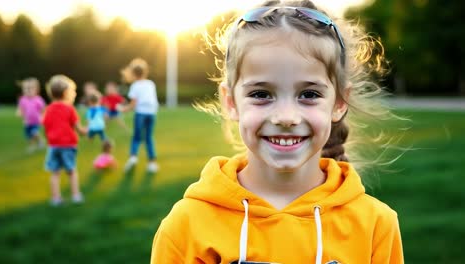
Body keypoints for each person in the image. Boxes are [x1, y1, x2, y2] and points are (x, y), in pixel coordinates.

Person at [150, 1, 404, 263]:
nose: (286, 118)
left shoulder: (375, 225)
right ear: (231, 102)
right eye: (261, 94)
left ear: (339, 103)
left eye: (309, 94)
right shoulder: (187, 226)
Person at [42, 75, 87, 206]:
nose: (74, 95)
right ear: (66, 93)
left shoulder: (48, 109)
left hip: (53, 145)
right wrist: (88, 130)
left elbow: (46, 125)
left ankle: (55, 199)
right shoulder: (69, 109)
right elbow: (80, 129)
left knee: (55, 173)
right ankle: (76, 196)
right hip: (68, 145)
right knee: (71, 171)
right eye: (73, 92)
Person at [118, 58, 160, 173]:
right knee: (148, 137)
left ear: (133, 73)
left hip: (140, 114)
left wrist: (122, 109)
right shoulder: (151, 84)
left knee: (137, 137)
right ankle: (152, 163)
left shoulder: (135, 86)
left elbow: (133, 104)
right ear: (145, 72)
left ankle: (133, 157)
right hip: (151, 114)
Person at [16, 77, 46, 153]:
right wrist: (19, 112)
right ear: (23, 90)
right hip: (27, 121)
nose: (28, 90)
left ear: (36, 90)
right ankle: (33, 145)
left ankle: (40, 141)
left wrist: (42, 117)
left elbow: (43, 110)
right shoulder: (22, 99)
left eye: (30, 88)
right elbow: (21, 108)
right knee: (28, 136)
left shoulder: (38, 99)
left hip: (36, 121)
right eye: (26, 88)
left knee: (34, 132)